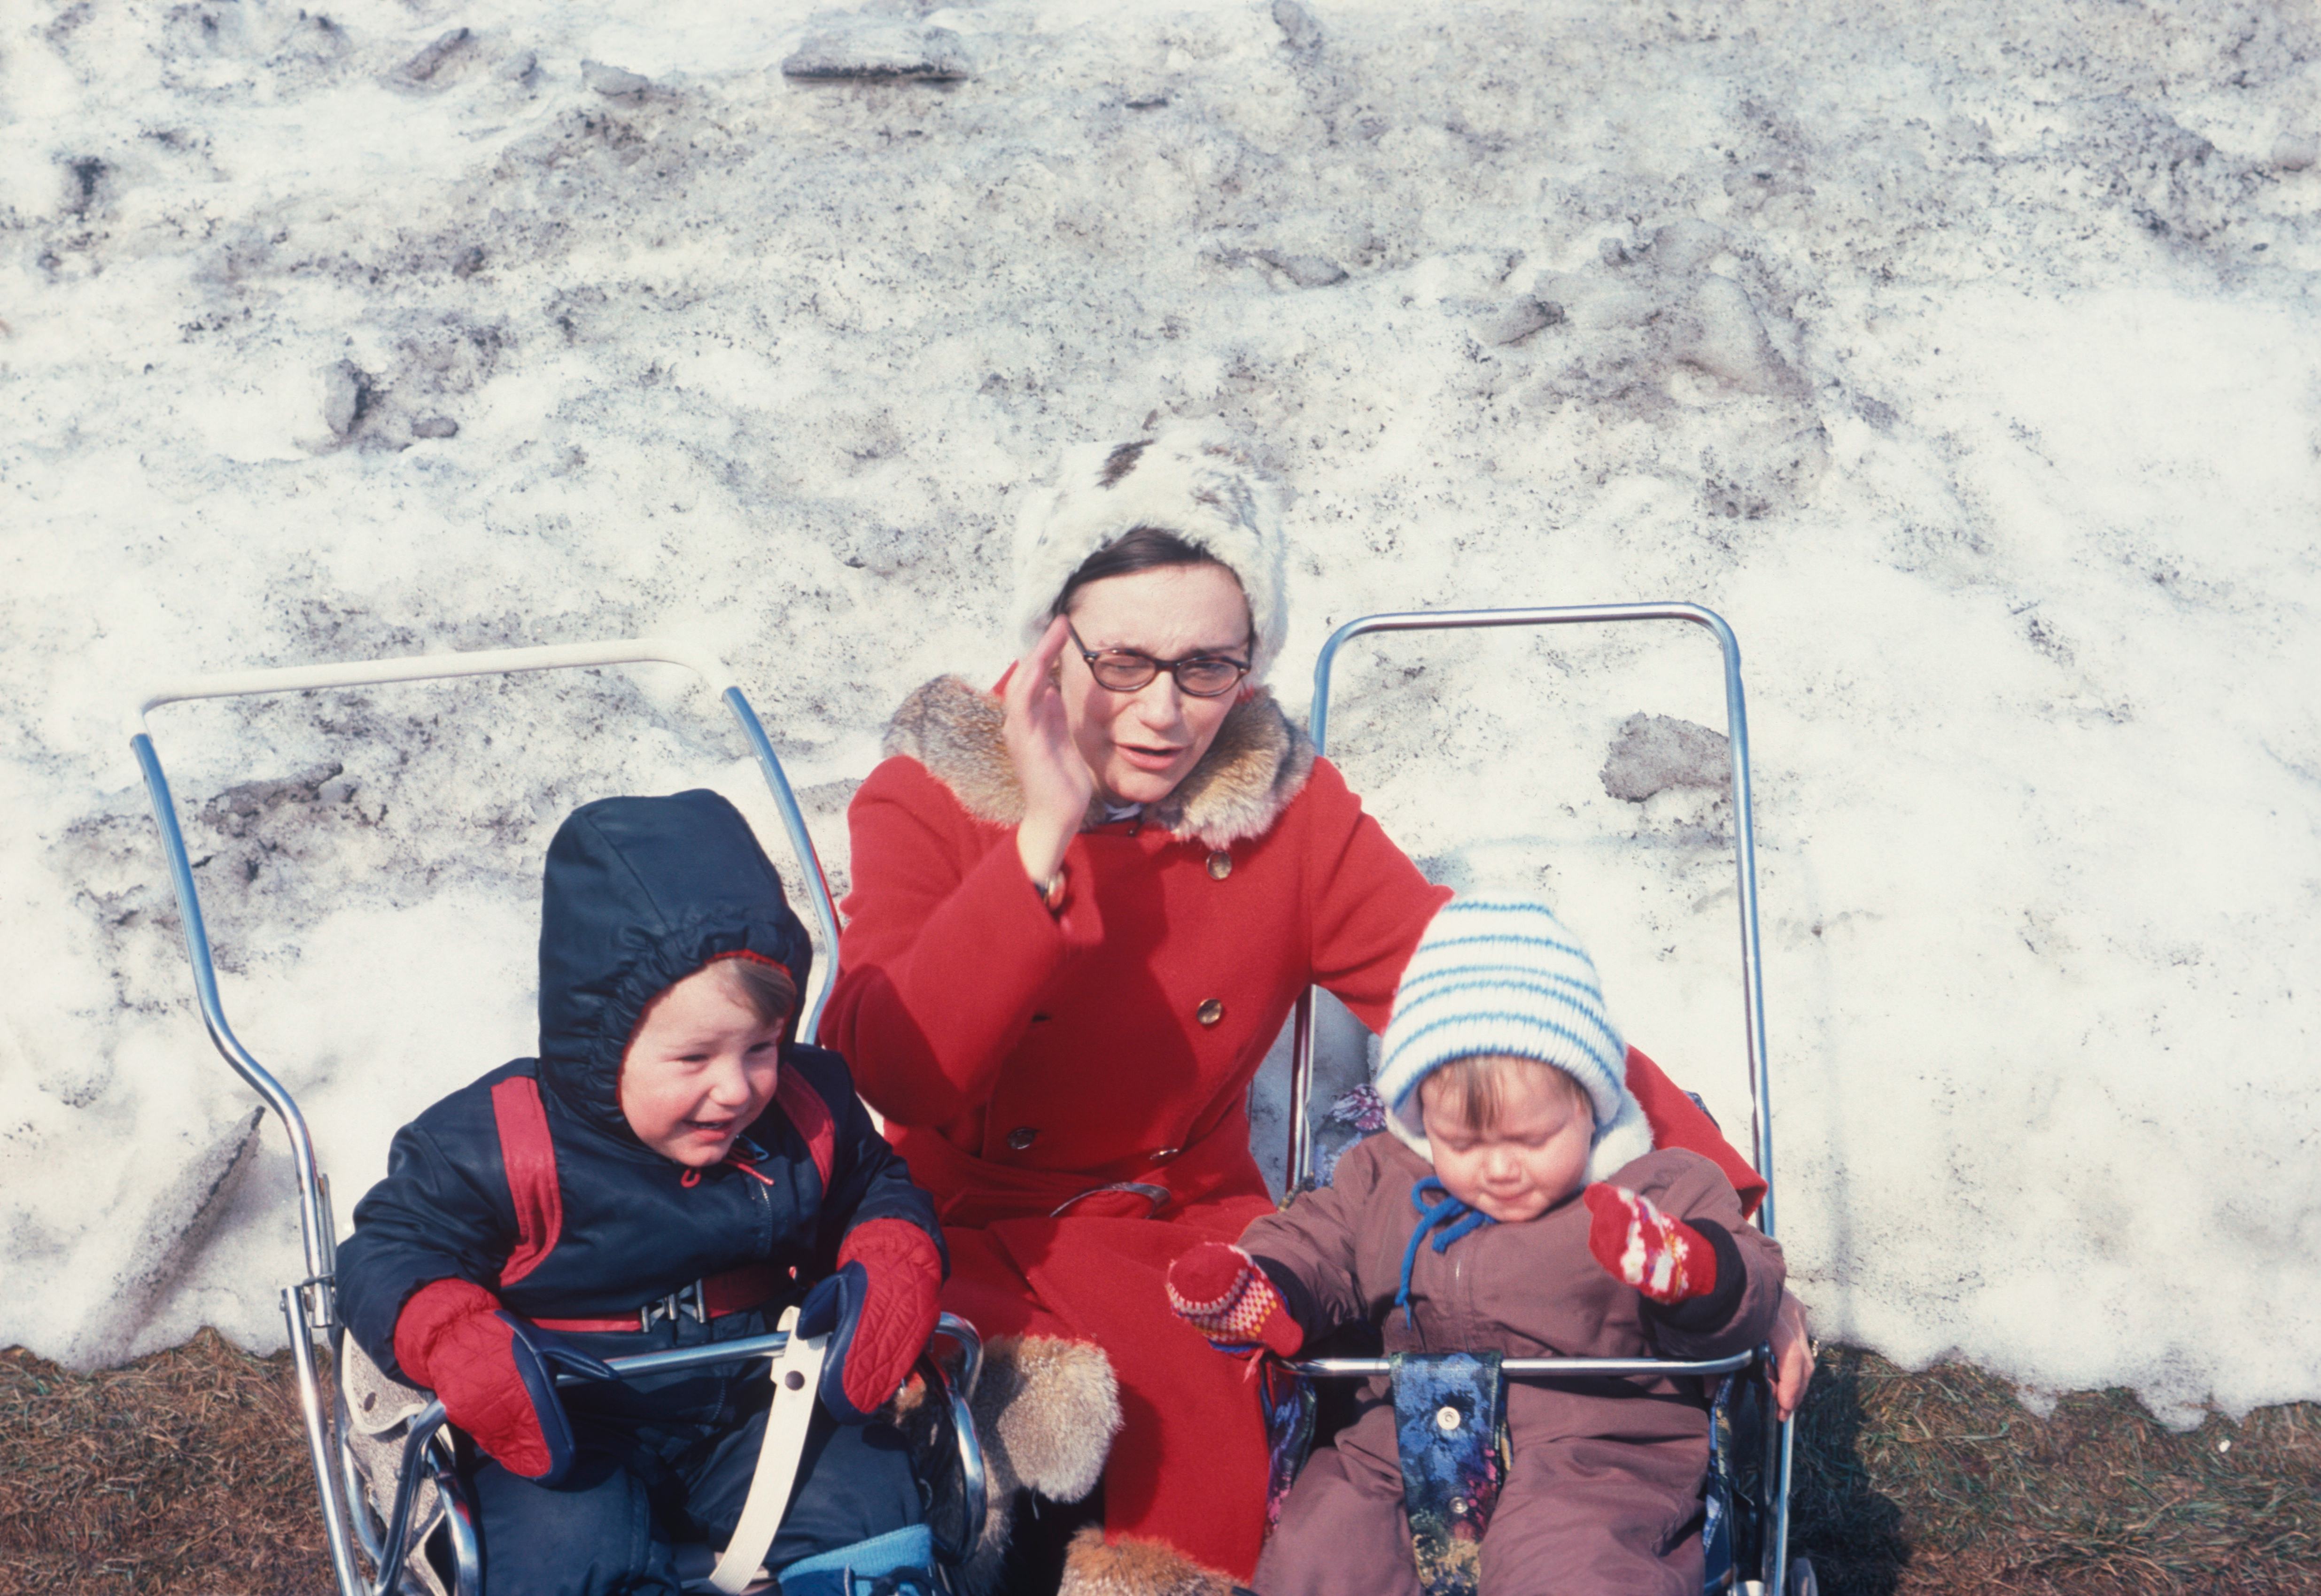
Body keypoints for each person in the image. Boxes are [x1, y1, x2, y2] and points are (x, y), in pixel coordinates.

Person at [820, 427, 1809, 1596]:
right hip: (976, 1228)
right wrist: (1038, 834)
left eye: (1208, 666)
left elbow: (1483, 997)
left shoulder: (1279, 811)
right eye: (1124, 661)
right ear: (1051, 641)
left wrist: (1727, 1223)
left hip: (1184, 1234)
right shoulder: (930, 802)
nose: (1164, 711)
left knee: (1229, 1435)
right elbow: (892, 1069)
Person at [336, 790, 950, 1596]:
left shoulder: (805, 1110)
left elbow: (873, 1187)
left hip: (758, 1401)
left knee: (863, 1496)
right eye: (694, 1058)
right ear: (600, 1041)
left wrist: (893, 1255)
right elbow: (391, 1246)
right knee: (557, 1556)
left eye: (762, 1046)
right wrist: (454, 1333)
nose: (736, 1088)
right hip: (564, 1426)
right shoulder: (504, 1142)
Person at [1168, 897, 1784, 1596]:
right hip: (1396, 1446)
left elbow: (1753, 1282)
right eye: (1462, 1142)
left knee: (1570, 1570)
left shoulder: (1656, 1187)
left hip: (1593, 1451)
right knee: (1323, 1551)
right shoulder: (1382, 1179)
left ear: (1591, 1103)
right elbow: (1316, 1239)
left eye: (1531, 1139)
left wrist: (1691, 1269)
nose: (1497, 1167)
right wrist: (1267, 1283)